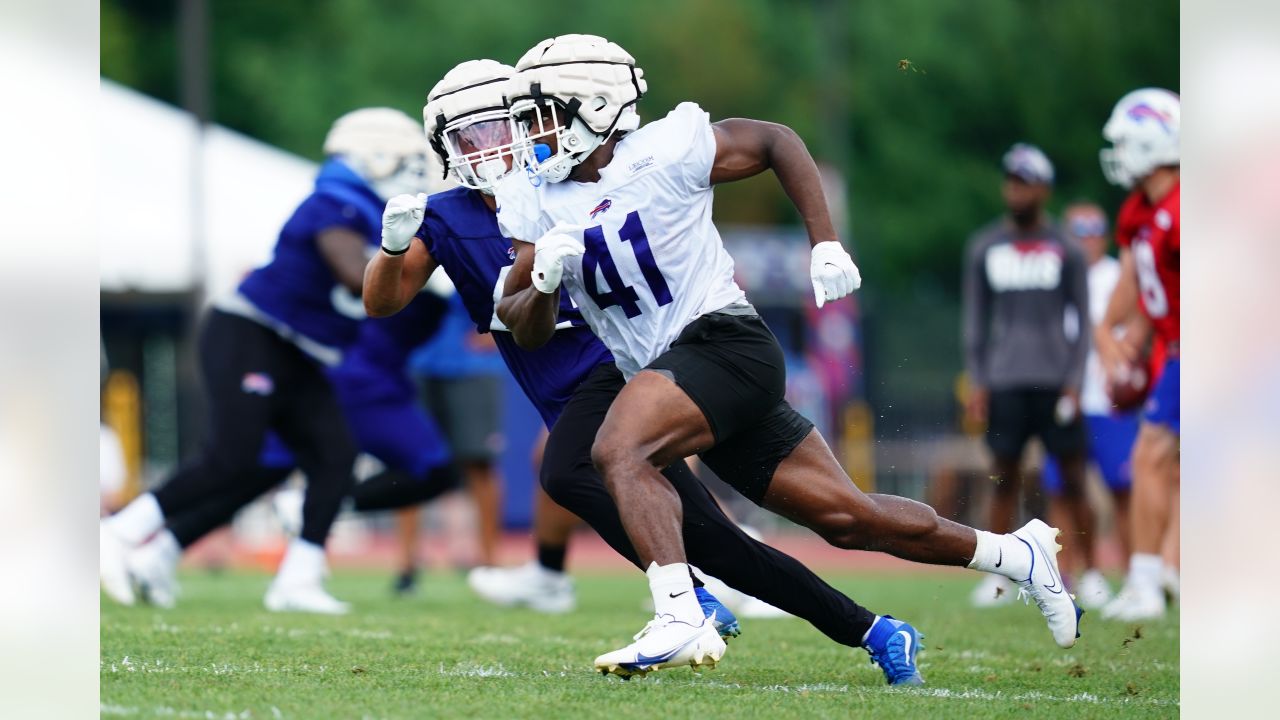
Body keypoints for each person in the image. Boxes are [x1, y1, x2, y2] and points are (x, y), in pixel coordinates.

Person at [487, 34, 1080, 678]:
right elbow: (525, 327)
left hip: (724, 344)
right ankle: (1015, 555)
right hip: (676, 377)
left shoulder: (665, 148)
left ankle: (681, 614)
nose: (530, 132)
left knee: (618, 450)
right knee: (848, 518)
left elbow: (776, 141)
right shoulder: (537, 201)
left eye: (542, 113)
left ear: (596, 107)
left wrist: (825, 243)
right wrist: (544, 282)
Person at [369, 58, 936, 685]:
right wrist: (392, 247)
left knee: (565, 470)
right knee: (718, 542)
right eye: (474, 137)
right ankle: (873, 630)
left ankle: (676, 597)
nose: (497, 147)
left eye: (505, 127)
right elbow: (386, 301)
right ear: (446, 148)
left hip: (621, 368)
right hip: (560, 384)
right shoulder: (456, 213)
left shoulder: (556, 185)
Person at [100, 108, 433, 614]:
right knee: (232, 456)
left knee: (334, 456)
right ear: (377, 155)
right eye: (408, 160)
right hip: (251, 334)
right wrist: (410, 256)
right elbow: (352, 274)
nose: (416, 171)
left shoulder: (366, 207)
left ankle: (297, 580)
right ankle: (120, 532)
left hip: (302, 350)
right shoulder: (337, 201)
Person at [960, 145, 1091, 609]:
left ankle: (1090, 571)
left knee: (1073, 479)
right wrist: (978, 381)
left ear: (1043, 189)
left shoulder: (1067, 249)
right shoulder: (985, 247)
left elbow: (1084, 321)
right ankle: (998, 575)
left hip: (1056, 380)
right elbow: (975, 323)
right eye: (1011, 181)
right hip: (1006, 380)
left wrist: (1075, 382)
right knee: (1003, 477)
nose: (1016, 190)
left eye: (1025, 181)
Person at [1093, 88, 1180, 622]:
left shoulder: (1183, 208)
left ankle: (1148, 580)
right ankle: (1151, 575)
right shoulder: (1143, 208)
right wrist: (1117, 332)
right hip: (1175, 349)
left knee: (1154, 456)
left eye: (1126, 142)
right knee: (1158, 458)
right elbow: (1154, 287)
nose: (1119, 152)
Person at [1040, 202, 1141, 608]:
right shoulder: (1052, 276)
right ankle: (1074, 574)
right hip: (1066, 397)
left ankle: (1136, 575)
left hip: (1109, 399)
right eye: (1077, 232)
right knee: (1063, 489)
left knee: (1123, 488)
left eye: (1092, 231)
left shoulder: (1117, 276)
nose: (1085, 241)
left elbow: (1137, 324)